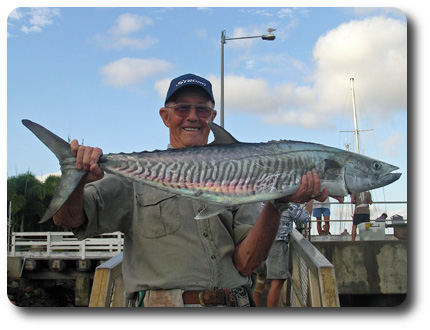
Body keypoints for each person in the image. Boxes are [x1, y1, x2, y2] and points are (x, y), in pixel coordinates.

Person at [52, 73, 340, 307]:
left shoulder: (247, 177)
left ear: (212, 116)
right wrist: (77, 182)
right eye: (182, 109)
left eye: (202, 109)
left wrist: (278, 204)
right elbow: (68, 220)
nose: (192, 116)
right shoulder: (131, 179)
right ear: (165, 116)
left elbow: (247, 263)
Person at [253, 202, 310, 307]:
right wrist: (311, 202)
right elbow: (305, 218)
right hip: (277, 244)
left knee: (259, 279)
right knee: (276, 282)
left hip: (259, 242)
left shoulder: (263, 200)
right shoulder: (289, 204)